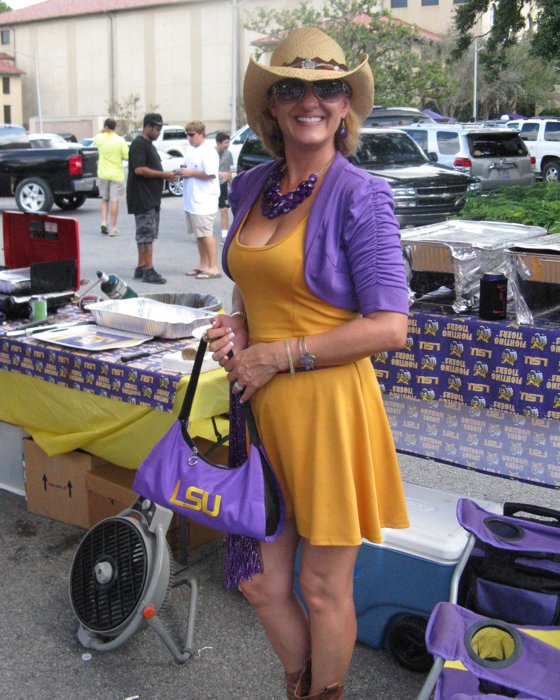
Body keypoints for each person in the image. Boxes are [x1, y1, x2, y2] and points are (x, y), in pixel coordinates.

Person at [205, 27, 410, 700]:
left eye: (328, 88)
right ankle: (300, 686)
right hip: (262, 413)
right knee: (262, 582)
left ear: (347, 104)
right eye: (291, 88)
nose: (310, 101)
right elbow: (252, 279)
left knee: (323, 590)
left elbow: (390, 327)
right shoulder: (250, 187)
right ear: (271, 106)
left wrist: (277, 354)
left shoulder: (361, 196)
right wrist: (238, 323)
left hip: (328, 414)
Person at [126, 113, 178, 284]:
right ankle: (148, 270)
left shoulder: (147, 144)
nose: (158, 132)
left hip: (150, 198)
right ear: (147, 126)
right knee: (146, 235)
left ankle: (141, 266)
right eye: (157, 129)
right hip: (143, 198)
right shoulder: (138, 144)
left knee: (146, 234)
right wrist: (163, 174)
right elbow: (139, 169)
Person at [180, 121, 221, 279]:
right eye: (187, 134)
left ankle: (213, 267)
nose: (189, 138)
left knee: (206, 233)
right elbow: (189, 169)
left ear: (201, 133)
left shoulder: (209, 151)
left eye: (192, 134)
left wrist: (191, 173)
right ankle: (203, 264)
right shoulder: (190, 150)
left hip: (204, 200)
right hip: (191, 200)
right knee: (198, 234)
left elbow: (211, 174)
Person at [93, 117, 129, 236]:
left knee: (105, 199)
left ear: (105, 126)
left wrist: (103, 130)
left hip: (103, 173)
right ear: (115, 127)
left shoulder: (99, 138)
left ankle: (104, 222)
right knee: (115, 200)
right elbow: (127, 156)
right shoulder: (120, 141)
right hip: (116, 174)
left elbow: (97, 136)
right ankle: (113, 228)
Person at [215, 131, 233, 244]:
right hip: (209, 185)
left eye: (228, 142)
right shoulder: (210, 154)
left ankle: (224, 236)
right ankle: (202, 234)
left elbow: (228, 170)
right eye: (225, 143)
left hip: (222, 185)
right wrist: (220, 174)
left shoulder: (228, 154)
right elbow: (206, 171)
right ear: (219, 143)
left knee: (224, 209)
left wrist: (232, 184)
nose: (227, 145)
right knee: (208, 212)